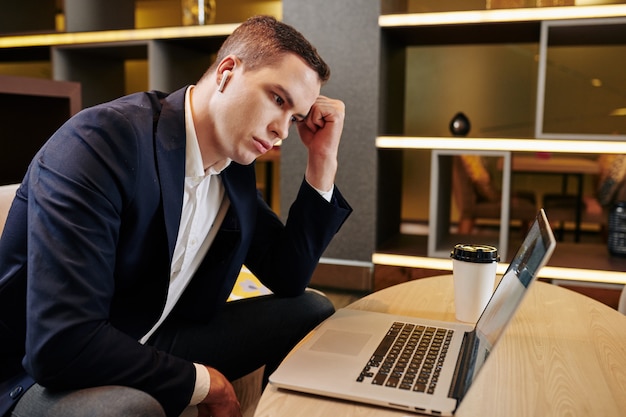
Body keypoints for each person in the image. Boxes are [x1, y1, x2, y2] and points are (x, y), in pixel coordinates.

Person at [0, 15, 352, 417]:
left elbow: (288, 276)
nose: (283, 132)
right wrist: (206, 383)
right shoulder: (100, 142)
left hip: (149, 332)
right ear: (227, 72)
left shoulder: (233, 165)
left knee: (312, 310)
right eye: (277, 99)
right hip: (37, 371)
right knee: (130, 408)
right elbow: (61, 342)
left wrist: (322, 161)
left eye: (294, 116)